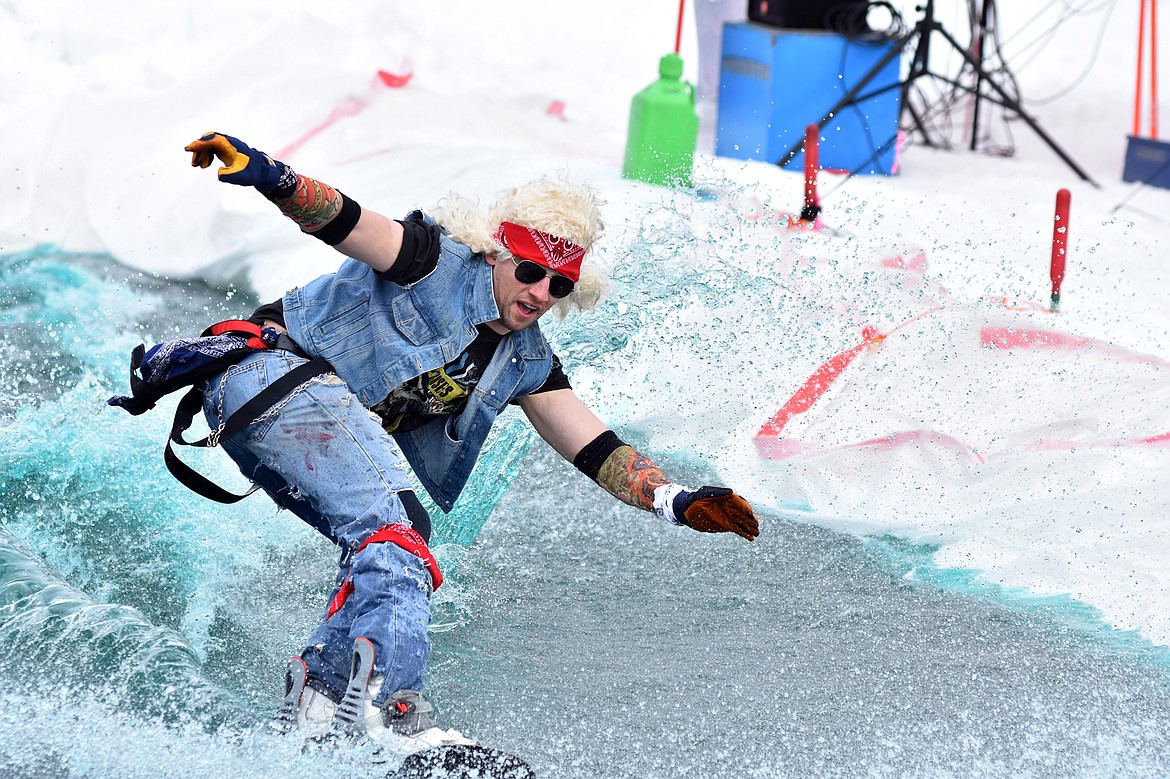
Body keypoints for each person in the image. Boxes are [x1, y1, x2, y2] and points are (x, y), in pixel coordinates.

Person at [182, 132, 760, 751]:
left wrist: (676, 500)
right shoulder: (429, 258)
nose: (540, 294)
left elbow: (598, 450)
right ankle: (395, 714)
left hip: (290, 426)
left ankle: (320, 702)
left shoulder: (526, 362)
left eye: (559, 285)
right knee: (395, 533)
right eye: (532, 272)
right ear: (495, 254)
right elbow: (344, 220)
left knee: (387, 540)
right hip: (263, 379)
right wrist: (270, 175)